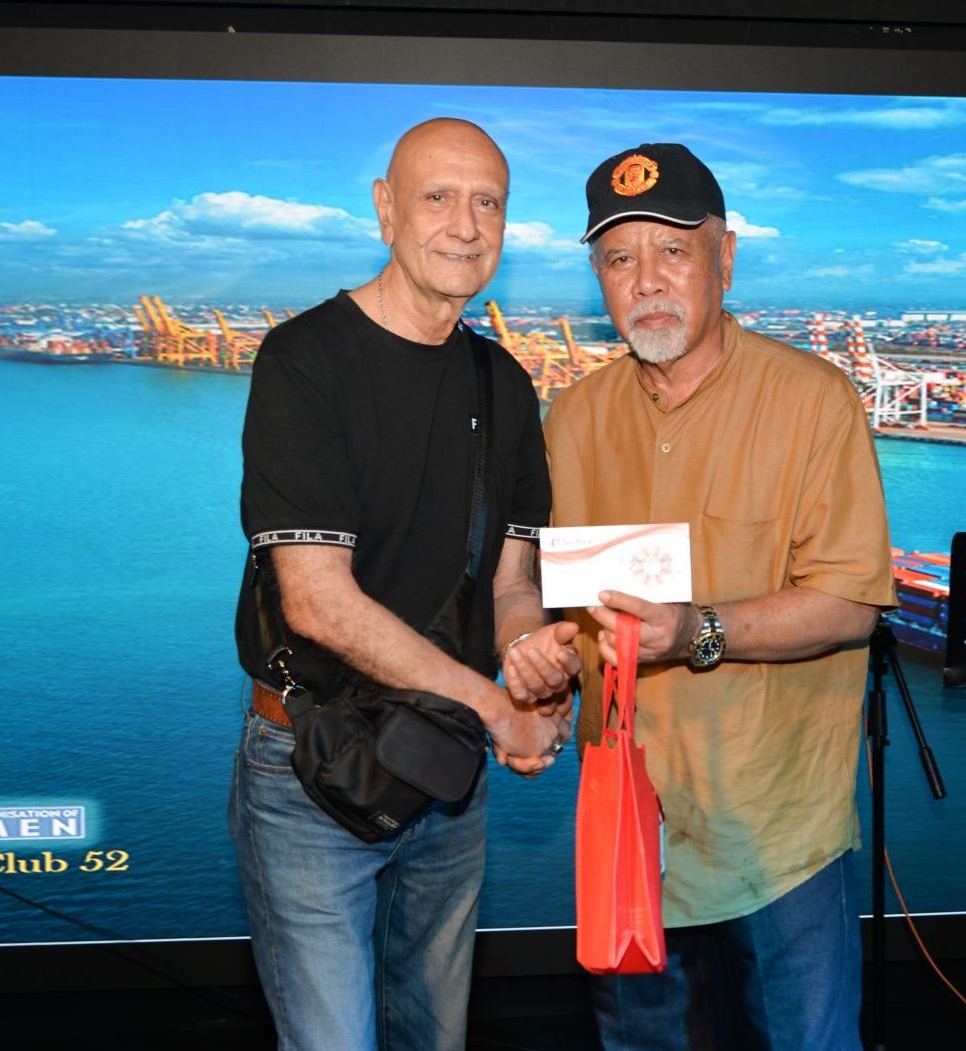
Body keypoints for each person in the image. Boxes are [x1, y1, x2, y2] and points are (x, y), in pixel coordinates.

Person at [229, 117, 581, 1051]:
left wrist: (532, 657)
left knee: (436, 1037)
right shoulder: (304, 361)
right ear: (386, 210)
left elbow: (510, 581)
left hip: (444, 769)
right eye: (438, 197)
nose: (465, 225)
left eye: (488, 203)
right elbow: (316, 601)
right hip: (311, 767)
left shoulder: (503, 383)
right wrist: (496, 707)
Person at [543, 143, 897, 1050]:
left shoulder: (814, 402)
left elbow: (852, 602)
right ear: (598, 278)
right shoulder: (572, 419)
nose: (647, 281)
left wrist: (697, 628)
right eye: (619, 258)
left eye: (674, 250)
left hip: (774, 825)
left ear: (726, 259)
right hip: (627, 816)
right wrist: (537, 658)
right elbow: (555, 602)